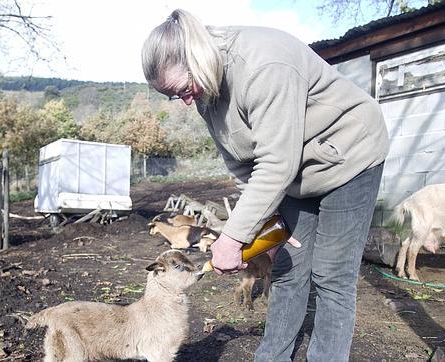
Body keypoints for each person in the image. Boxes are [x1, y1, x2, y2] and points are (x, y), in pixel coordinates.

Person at [141, 9, 388, 362]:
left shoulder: (264, 65)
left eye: (181, 89)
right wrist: (262, 227)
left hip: (349, 155)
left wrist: (232, 238)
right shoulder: (204, 88)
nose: (185, 101)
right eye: (173, 95)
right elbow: (241, 163)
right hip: (299, 172)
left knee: (332, 275)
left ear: (196, 57)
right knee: (288, 266)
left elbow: (276, 163)